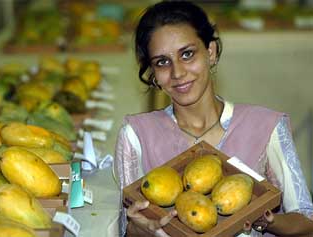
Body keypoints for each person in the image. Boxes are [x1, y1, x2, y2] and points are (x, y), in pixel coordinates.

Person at [113, 1, 313, 236]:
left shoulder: (266, 126)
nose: (177, 73)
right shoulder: (136, 134)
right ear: (154, 74)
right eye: (162, 62)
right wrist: (139, 229)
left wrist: (266, 220)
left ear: (211, 52)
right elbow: (125, 227)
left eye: (187, 54)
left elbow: (306, 222)